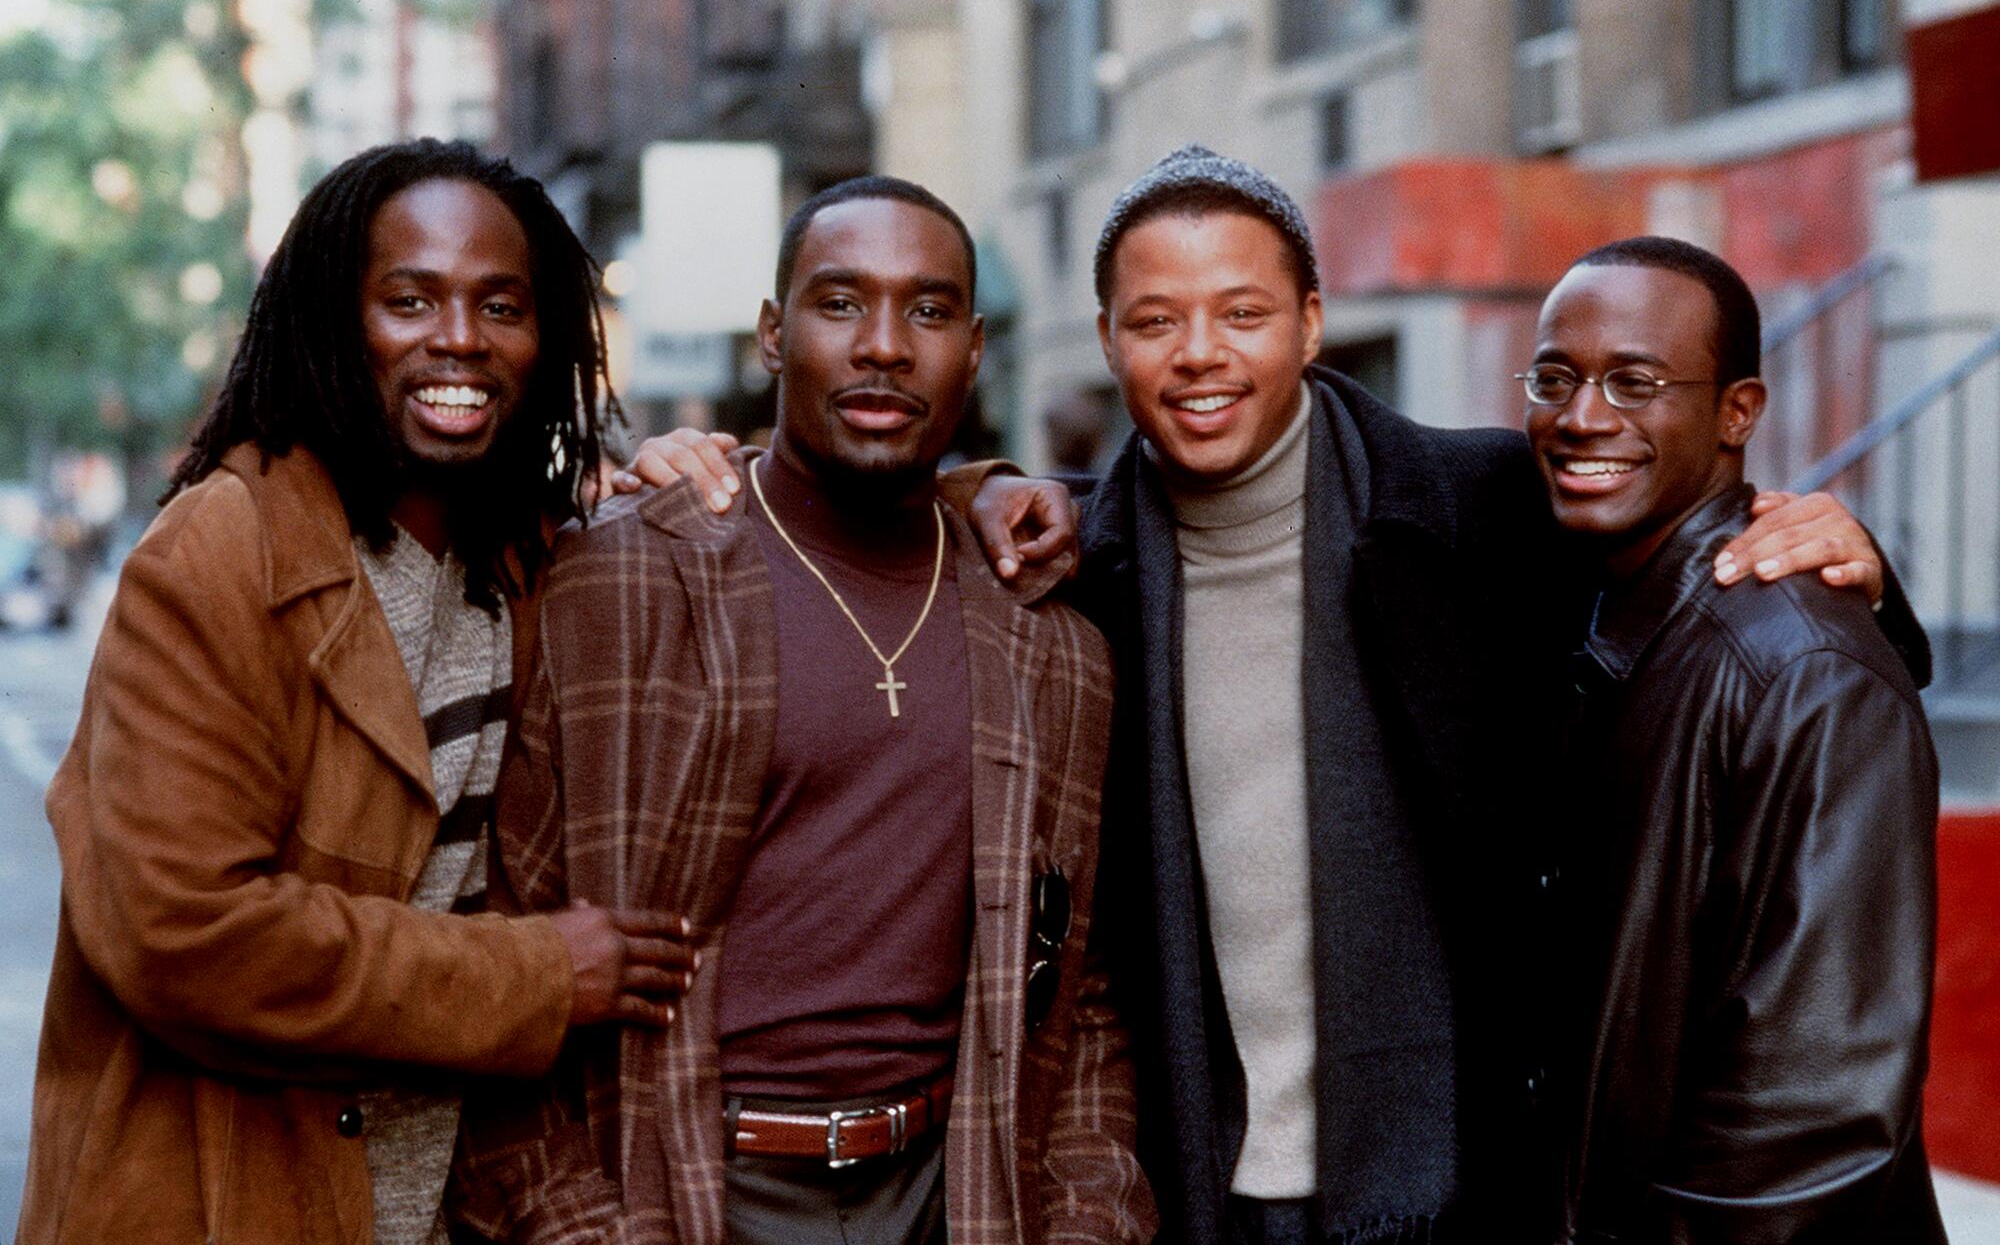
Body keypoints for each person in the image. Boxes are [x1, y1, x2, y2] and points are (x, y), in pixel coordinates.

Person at [627, 148, 1914, 1244]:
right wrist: (706, 466)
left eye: (1241, 315)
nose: (1199, 356)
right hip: (1183, 1191)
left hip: (1466, 1186)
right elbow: (870, 508)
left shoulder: (1479, 509)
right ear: (1105, 340)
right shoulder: (1062, 565)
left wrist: (1858, 566)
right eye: (1153, 320)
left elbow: (1695, 567)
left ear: (1307, 321)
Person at [17, 139, 698, 1245]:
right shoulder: (220, 556)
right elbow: (189, 935)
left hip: (449, 1204)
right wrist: (534, 976)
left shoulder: (531, 555)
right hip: (224, 1199)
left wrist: (983, 491)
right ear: (339, 319)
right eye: (409, 299)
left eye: (500, 304)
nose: (460, 338)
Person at [454, 176, 1154, 1245]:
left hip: (952, 1190)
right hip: (688, 1188)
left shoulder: (1051, 640)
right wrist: (578, 1227)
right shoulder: (620, 583)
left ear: (973, 347)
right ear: (773, 336)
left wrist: (1090, 1218)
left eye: (926, 310)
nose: (882, 344)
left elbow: (1074, 991)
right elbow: (504, 938)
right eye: (839, 303)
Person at [1525, 237, 1944, 1244]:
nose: (1583, 417)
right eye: (1553, 378)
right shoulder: (1592, 598)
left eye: (1635, 381)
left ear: (1736, 412)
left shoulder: (1803, 672)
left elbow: (1807, 1122)